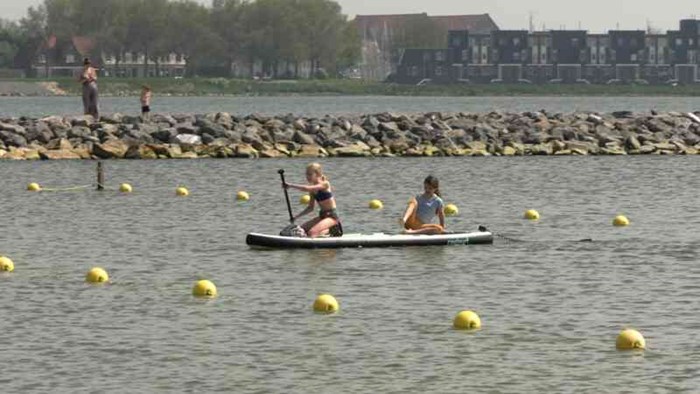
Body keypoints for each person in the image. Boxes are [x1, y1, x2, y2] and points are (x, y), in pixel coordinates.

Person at [283, 163, 343, 238]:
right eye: (306, 174)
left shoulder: (325, 184)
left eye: (310, 174)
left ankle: (332, 228)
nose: (307, 177)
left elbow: (306, 188)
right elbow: (310, 208)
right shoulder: (312, 190)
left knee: (312, 232)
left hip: (332, 217)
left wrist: (290, 185)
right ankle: (327, 231)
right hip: (322, 216)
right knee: (301, 230)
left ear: (317, 174)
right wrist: (296, 217)